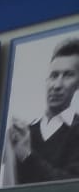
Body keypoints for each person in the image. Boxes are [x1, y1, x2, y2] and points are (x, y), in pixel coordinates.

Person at [8, 37, 79, 184]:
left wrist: (27, 155)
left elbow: (71, 186)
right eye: (54, 75)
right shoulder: (23, 131)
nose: (57, 85)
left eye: (68, 75)